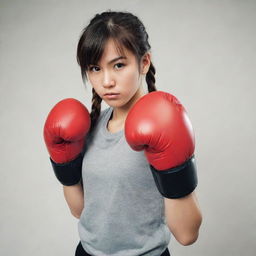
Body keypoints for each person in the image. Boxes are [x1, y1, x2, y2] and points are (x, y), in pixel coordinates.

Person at [43, 10, 202, 256]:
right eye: (95, 68)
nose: (106, 81)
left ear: (144, 62)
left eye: (118, 65)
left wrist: (175, 173)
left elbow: (187, 234)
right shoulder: (88, 126)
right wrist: (63, 161)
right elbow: (80, 210)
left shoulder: (163, 124)